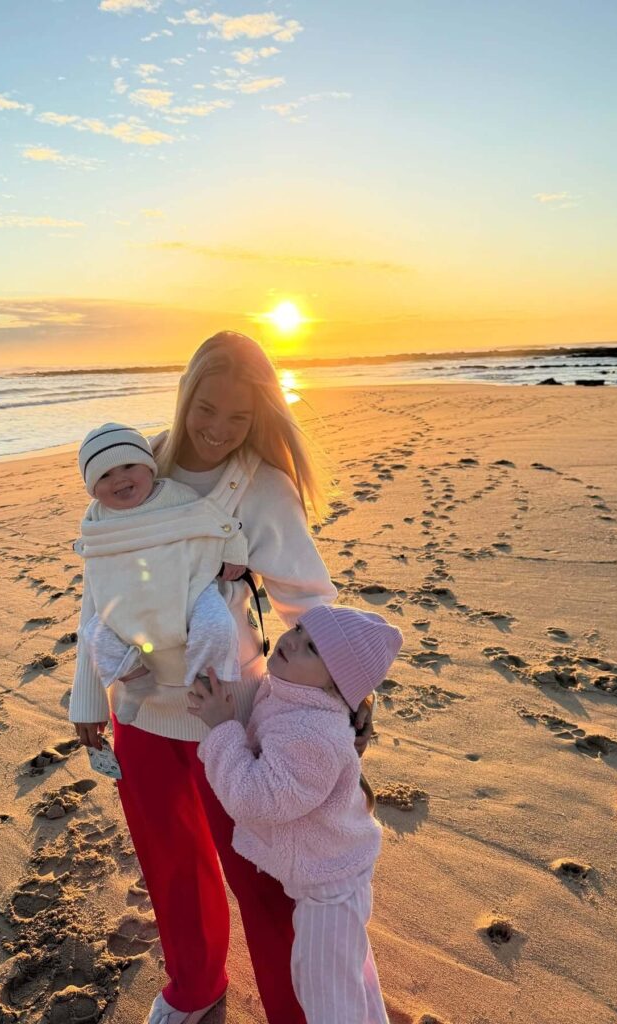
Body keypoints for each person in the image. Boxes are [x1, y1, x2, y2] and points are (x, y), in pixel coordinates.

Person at [69, 330, 375, 1024]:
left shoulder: (260, 486)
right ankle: (195, 987)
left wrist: (350, 692)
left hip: (229, 711)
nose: (216, 430)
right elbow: (98, 588)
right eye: (206, 408)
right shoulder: (134, 464)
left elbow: (308, 597)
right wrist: (86, 694)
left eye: (238, 417)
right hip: (140, 711)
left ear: (259, 414)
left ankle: (297, 1009)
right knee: (171, 866)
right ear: (185, 395)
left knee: (261, 876)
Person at [189, 606, 402, 1024]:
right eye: (301, 630)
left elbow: (257, 797)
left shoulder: (313, 734)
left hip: (328, 891)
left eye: (311, 649)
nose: (292, 641)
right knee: (349, 976)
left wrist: (222, 728)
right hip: (335, 874)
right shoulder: (294, 693)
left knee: (326, 995)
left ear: (336, 684)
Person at [74, 422, 248, 724]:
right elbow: (94, 550)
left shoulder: (175, 494)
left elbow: (216, 521)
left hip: (188, 584)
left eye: (129, 465)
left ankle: (207, 676)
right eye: (104, 475)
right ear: (92, 488)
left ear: (149, 467)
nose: (120, 479)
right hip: (128, 593)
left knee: (217, 624)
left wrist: (233, 551)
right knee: (95, 634)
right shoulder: (97, 516)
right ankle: (134, 679)